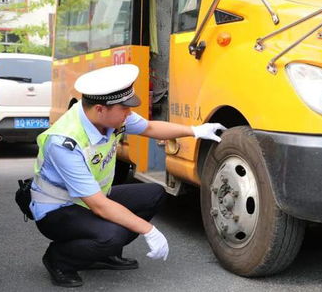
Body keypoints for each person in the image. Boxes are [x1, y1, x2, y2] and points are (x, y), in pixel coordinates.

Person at [30, 64, 226, 287]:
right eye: (124, 108)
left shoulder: (111, 117)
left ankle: (102, 255)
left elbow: (150, 128)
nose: (129, 113)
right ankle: (59, 259)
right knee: (113, 235)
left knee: (154, 194)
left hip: (90, 199)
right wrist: (149, 230)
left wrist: (195, 131)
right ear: (100, 109)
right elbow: (99, 206)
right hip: (58, 210)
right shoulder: (64, 142)